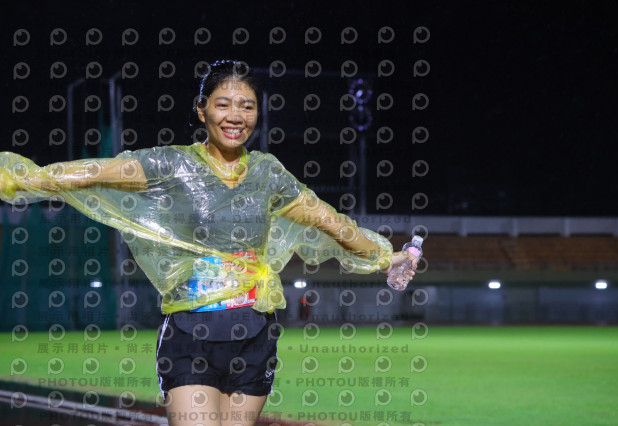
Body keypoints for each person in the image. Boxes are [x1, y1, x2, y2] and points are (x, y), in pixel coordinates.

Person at [0, 60, 418, 426]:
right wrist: (22, 179)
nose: (236, 116)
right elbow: (95, 172)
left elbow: (332, 222)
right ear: (202, 110)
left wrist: (386, 257)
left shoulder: (268, 174)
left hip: (254, 335)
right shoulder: (172, 164)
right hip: (190, 336)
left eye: (247, 106)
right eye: (224, 104)